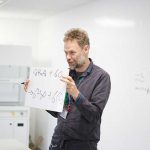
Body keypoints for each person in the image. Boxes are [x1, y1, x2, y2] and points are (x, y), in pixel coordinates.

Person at [24, 28, 111, 150]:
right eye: (65, 52)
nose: (68, 57)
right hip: (58, 141)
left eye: (72, 52)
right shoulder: (66, 74)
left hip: (82, 145)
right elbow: (58, 112)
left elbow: (94, 115)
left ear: (86, 49)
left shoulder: (101, 77)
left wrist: (75, 94)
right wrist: (37, 95)